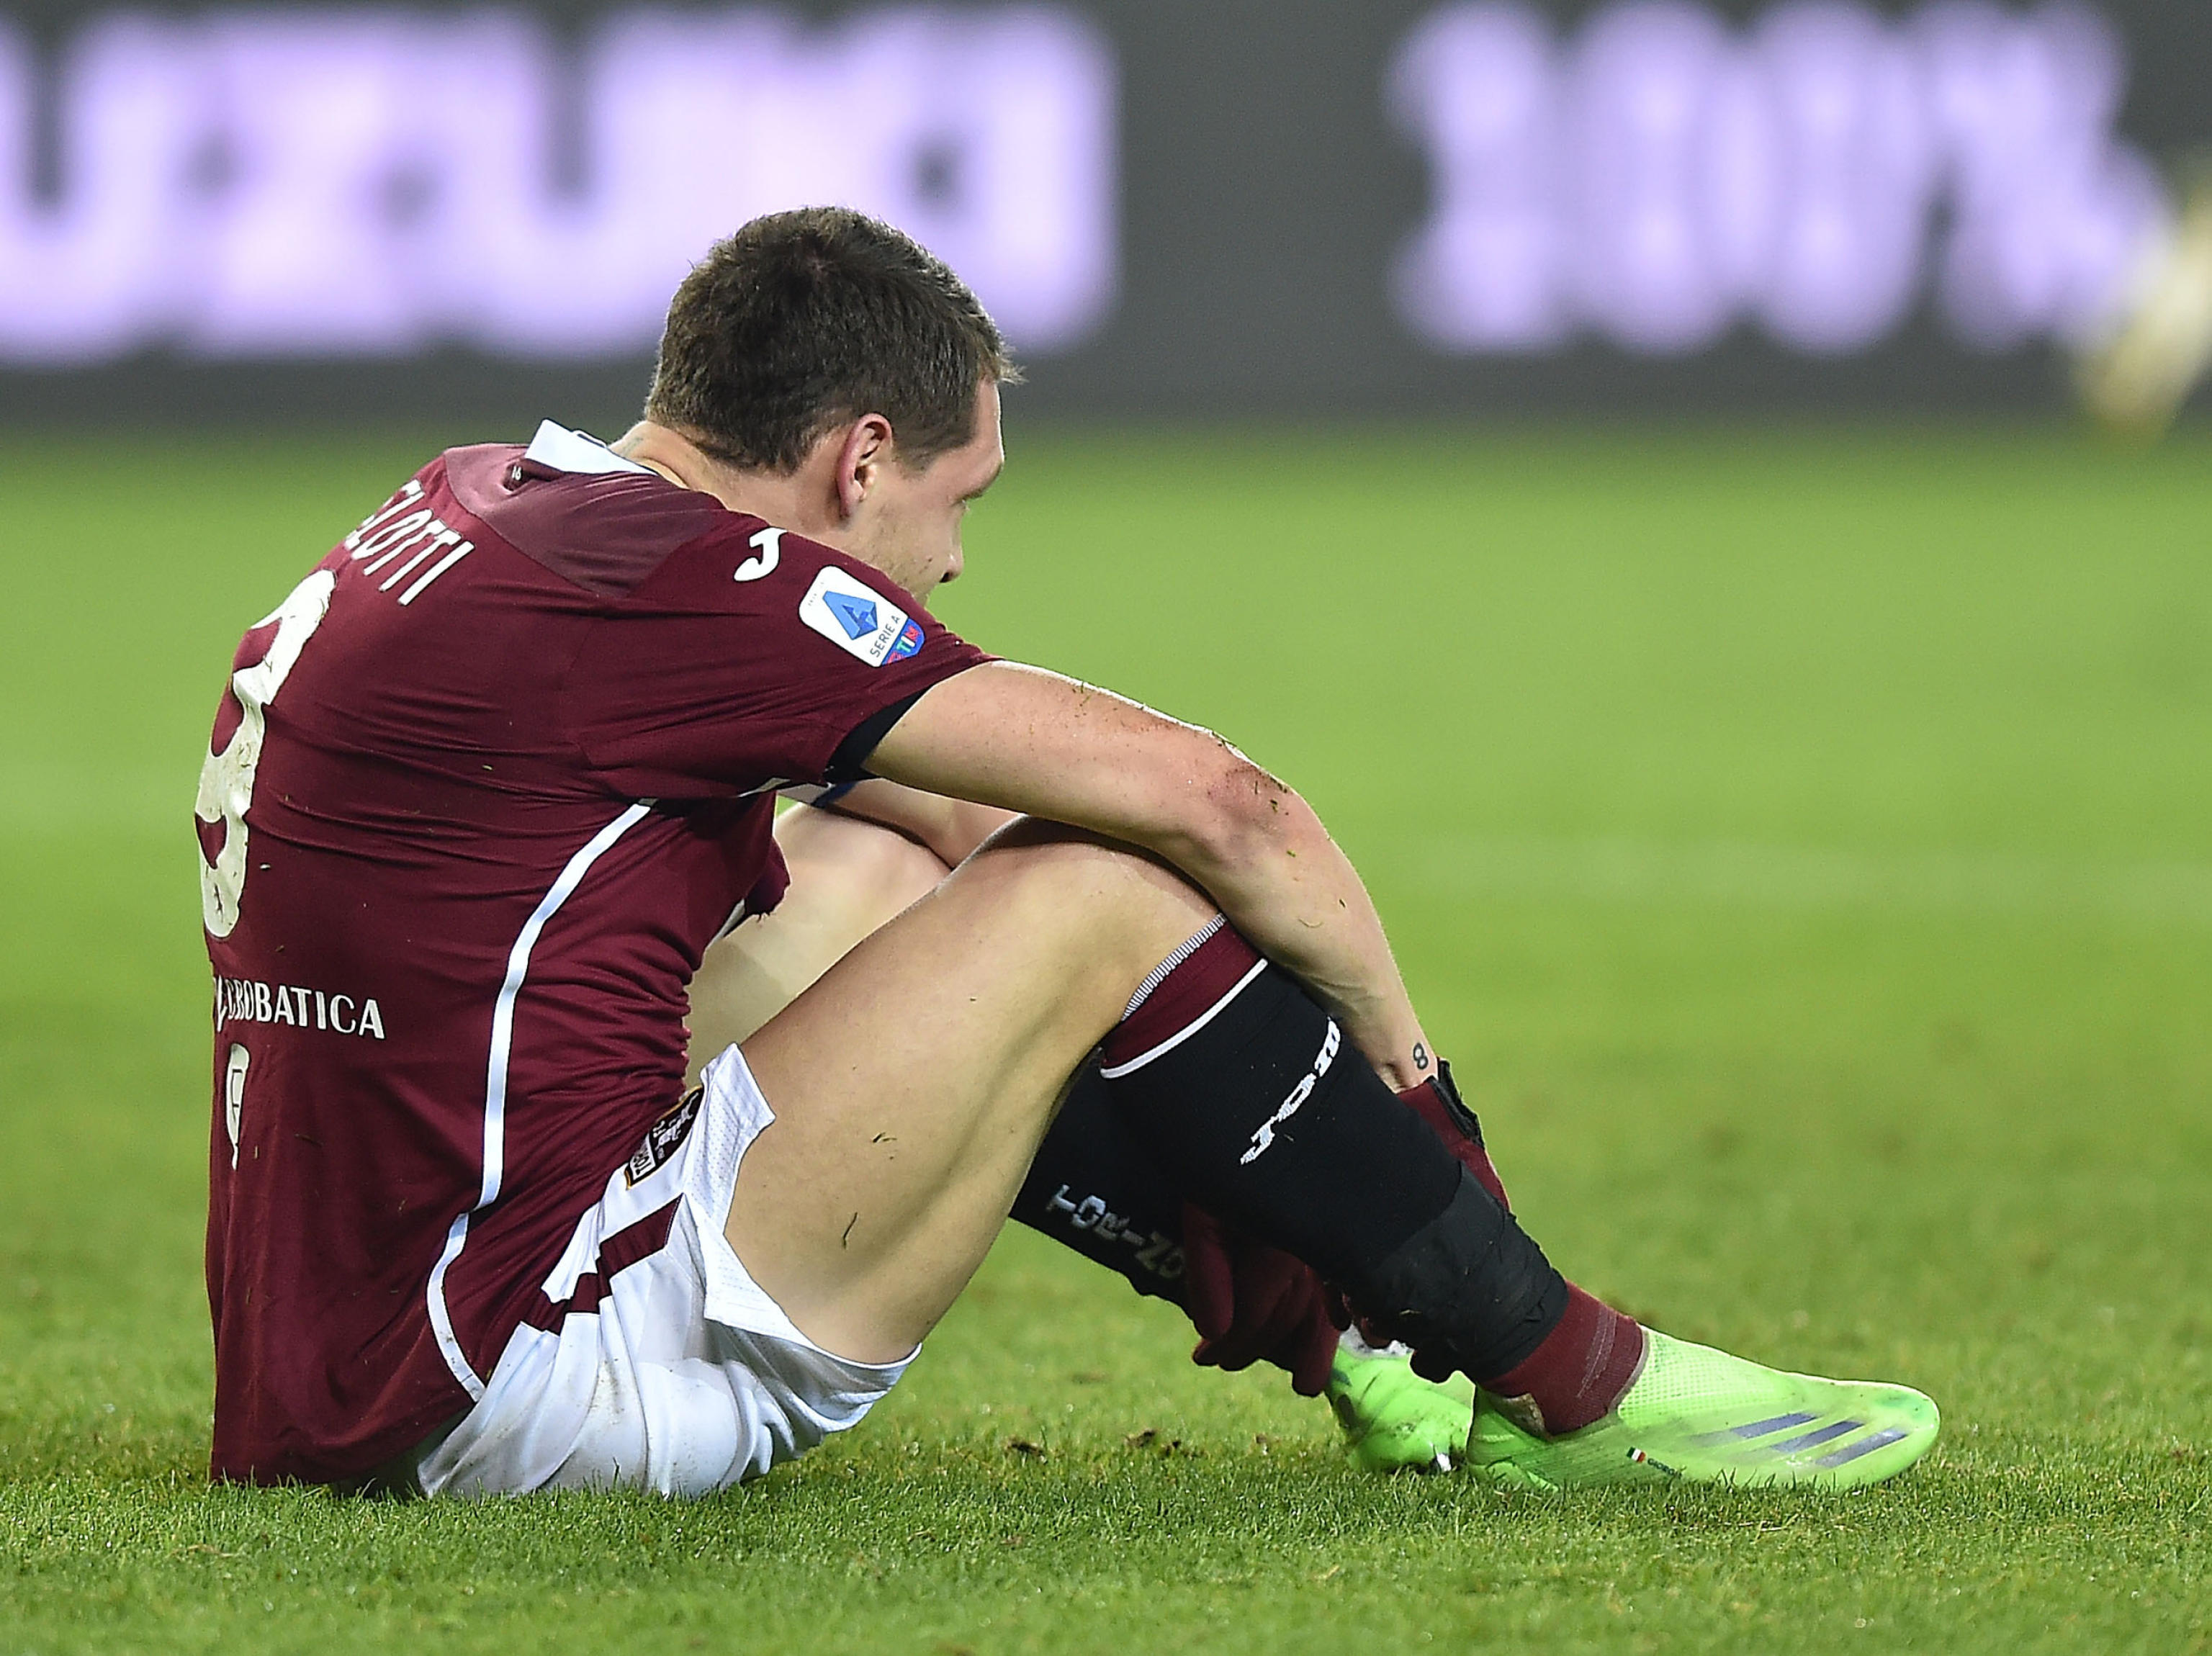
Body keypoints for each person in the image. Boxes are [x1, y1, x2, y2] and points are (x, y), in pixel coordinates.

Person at [196, 207, 1939, 1497]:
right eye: (959, 500)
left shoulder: (482, 504)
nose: (951, 560)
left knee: (882, 868)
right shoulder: (696, 589)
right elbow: (1226, 807)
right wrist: (1419, 1116)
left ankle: (1344, 1327)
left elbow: (944, 826)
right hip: (525, 1383)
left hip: (328, 1369)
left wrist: (1265, 1190)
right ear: (855, 458)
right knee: (1107, 886)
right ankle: (1563, 1370)